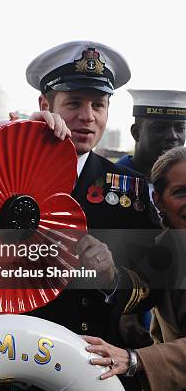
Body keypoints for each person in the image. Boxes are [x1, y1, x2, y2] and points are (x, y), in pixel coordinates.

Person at [0, 41, 159, 348]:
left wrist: (111, 277)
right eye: (74, 103)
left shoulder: (131, 188)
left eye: (98, 105)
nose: (87, 116)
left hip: (88, 359)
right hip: (8, 353)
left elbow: (154, 284)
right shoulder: (0, 167)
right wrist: (18, 139)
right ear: (45, 106)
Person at [84, 146, 186, 391]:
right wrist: (107, 275)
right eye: (181, 193)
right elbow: (139, 289)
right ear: (157, 200)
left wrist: (135, 359)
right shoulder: (166, 247)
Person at [116, 90, 186, 347]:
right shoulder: (105, 184)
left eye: (180, 127)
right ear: (136, 132)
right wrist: (126, 312)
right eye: (160, 128)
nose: (172, 136)